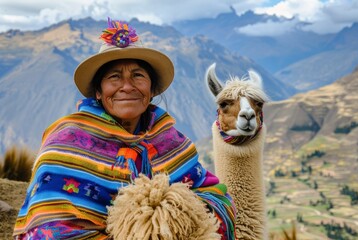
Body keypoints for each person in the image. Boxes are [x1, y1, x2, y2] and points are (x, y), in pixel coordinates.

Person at [13, 18, 236, 239]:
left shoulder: (170, 142)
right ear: (98, 92)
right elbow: (48, 230)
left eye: (138, 75)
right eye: (114, 77)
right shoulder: (66, 144)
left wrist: (176, 216)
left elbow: (216, 198)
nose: (127, 86)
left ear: (151, 89)